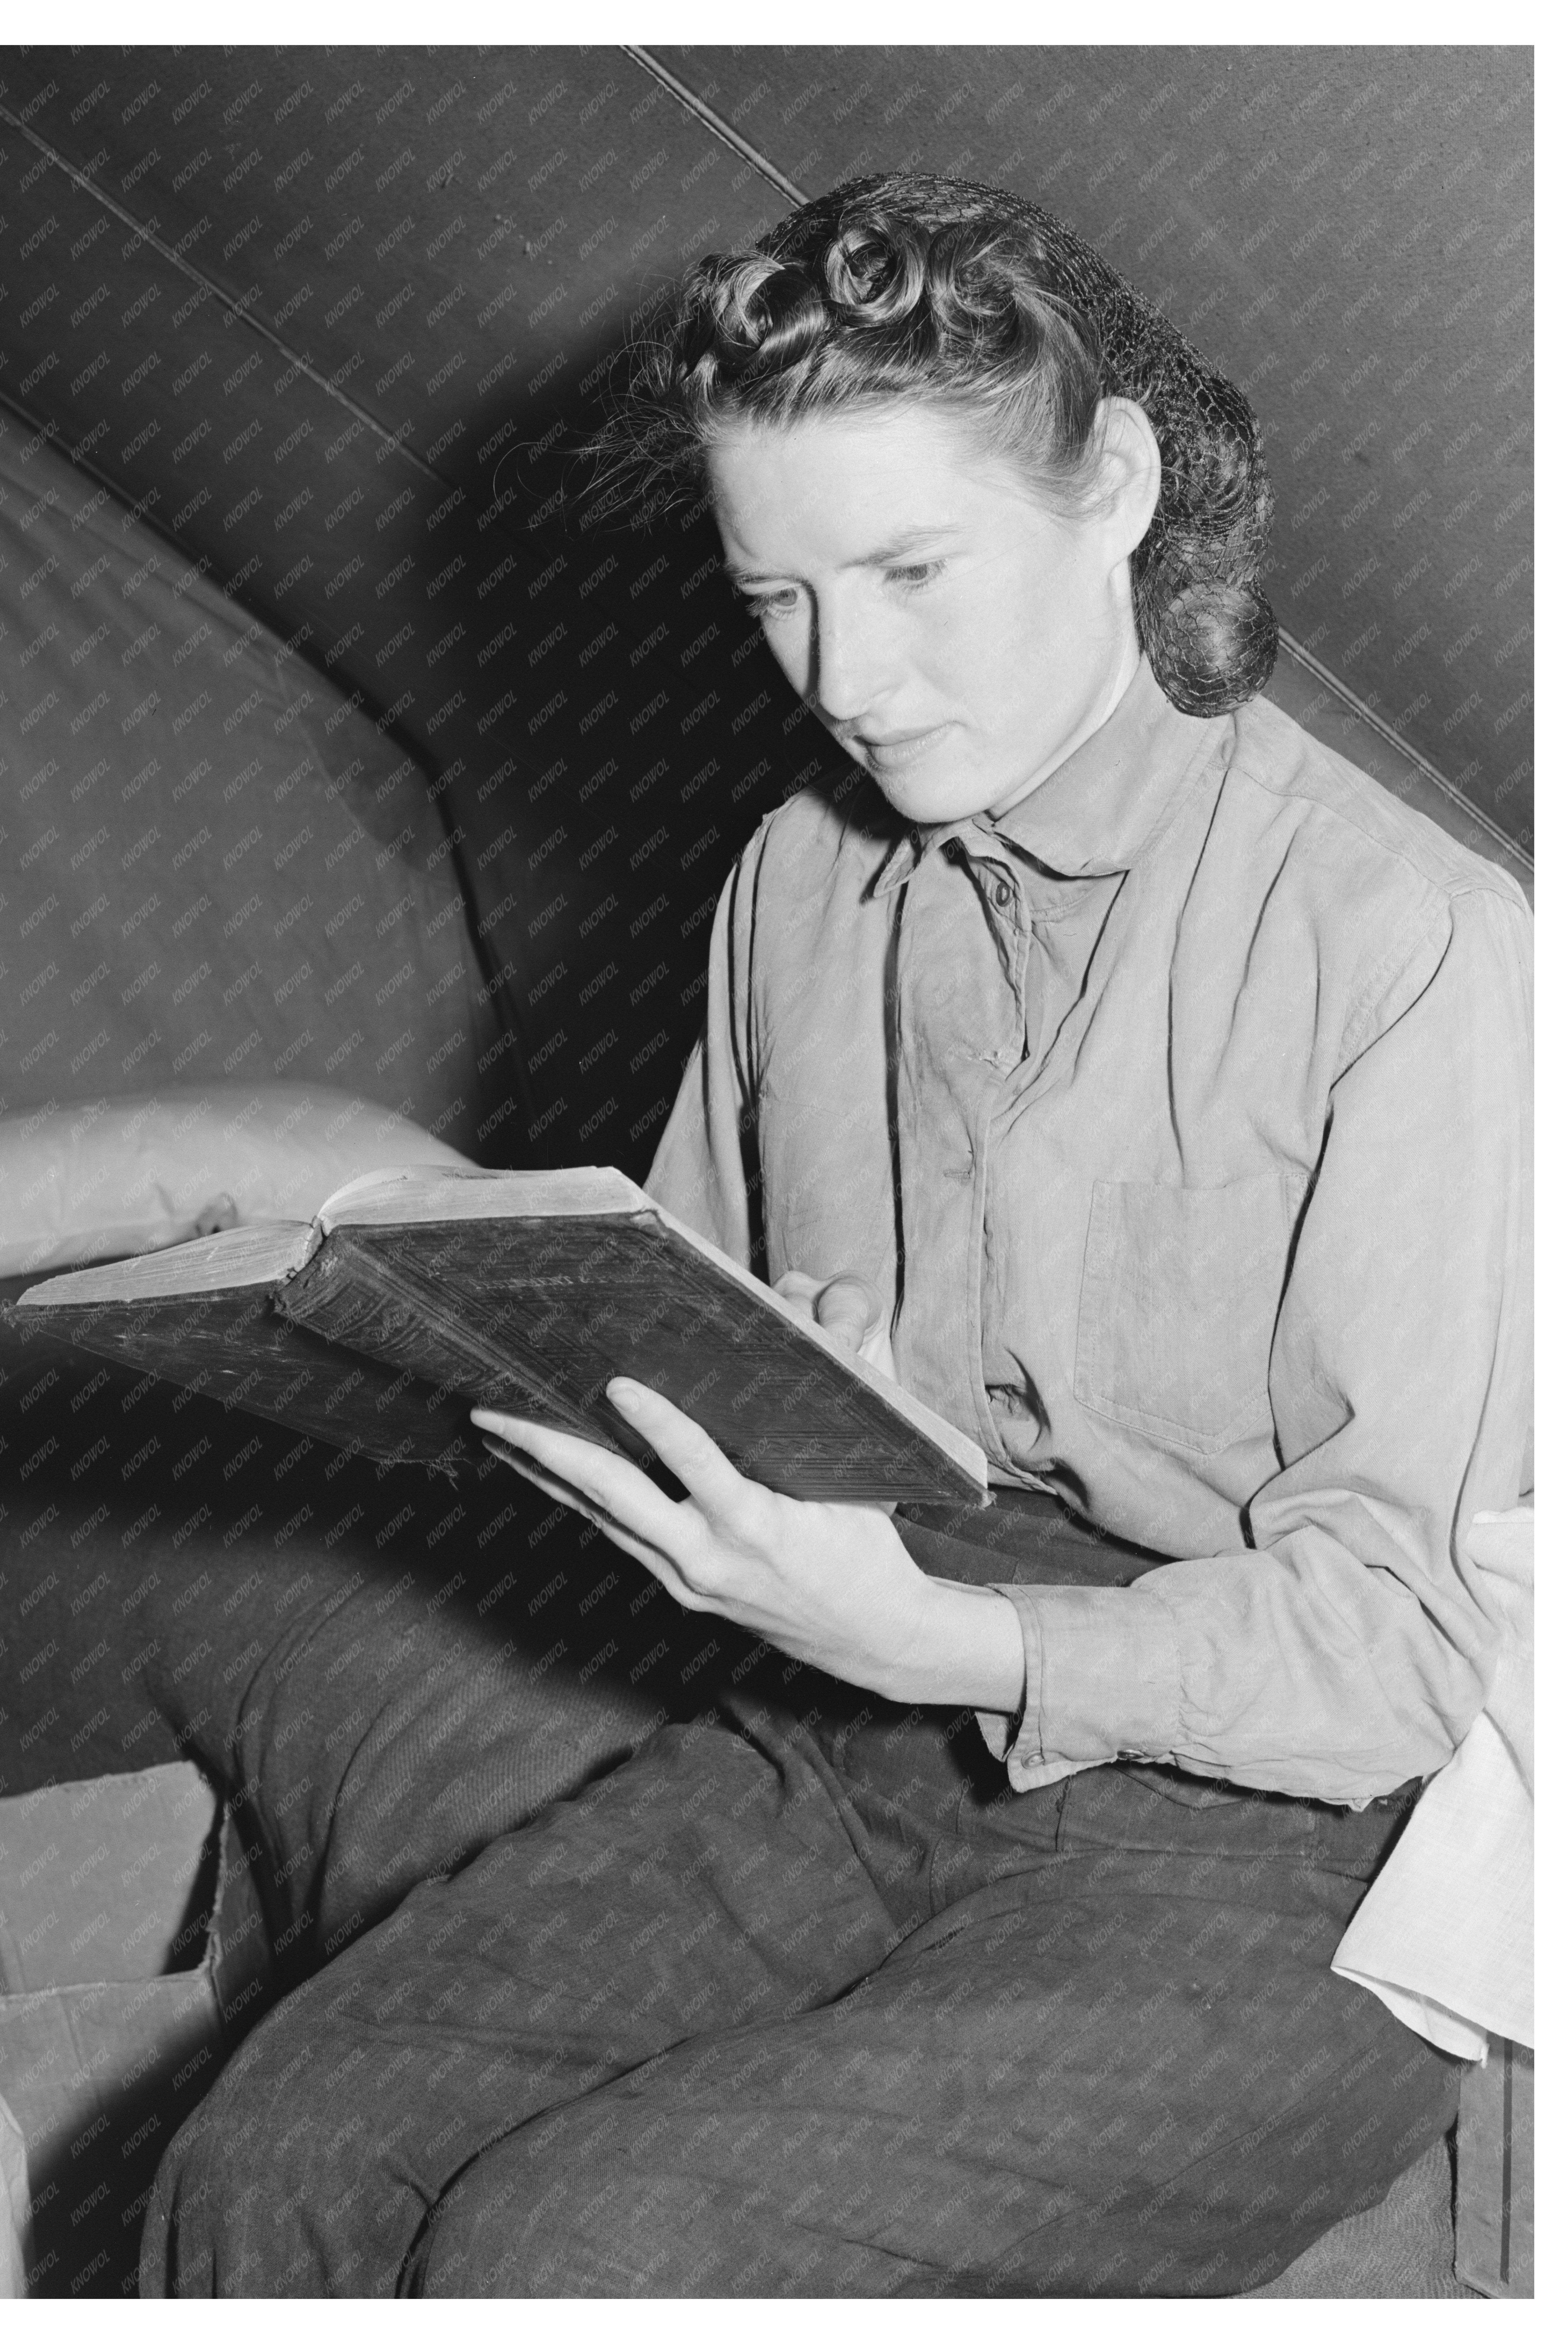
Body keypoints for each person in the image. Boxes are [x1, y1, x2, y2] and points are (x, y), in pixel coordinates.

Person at [141, 172, 1531, 2298]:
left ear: (1121, 486)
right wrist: (529, 1395)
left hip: (1278, 1864)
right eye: (774, 594)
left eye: (908, 570)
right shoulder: (795, 881)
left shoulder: (1418, 949)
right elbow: (694, 1332)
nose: (844, 678)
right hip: (844, 1737)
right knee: (277, 2157)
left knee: (583, 2246)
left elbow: (1407, 1660)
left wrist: (951, 1642)